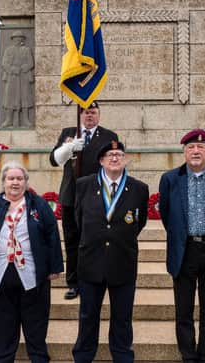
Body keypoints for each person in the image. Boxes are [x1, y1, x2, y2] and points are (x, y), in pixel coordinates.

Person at [0, 160, 64, 363]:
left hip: (32, 275)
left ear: (26, 182)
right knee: (2, 325)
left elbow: (52, 237)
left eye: (19, 178)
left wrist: (55, 266)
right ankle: (4, 358)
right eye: (11, 178)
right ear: (3, 181)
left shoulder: (39, 205)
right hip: (0, 275)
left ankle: (39, 358)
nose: (15, 182)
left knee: (36, 324)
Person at [158, 129, 205, 363]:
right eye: (191, 148)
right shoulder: (170, 179)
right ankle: (188, 354)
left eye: (201, 147)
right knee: (184, 309)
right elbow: (166, 214)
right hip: (184, 250)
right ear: (184, 152)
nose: (196, 151)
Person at [71, 141, 149, 363]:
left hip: (122, 262)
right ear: (101, 160)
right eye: (110, 155)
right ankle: (83, 355)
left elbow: (138, 222)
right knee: (88, 316)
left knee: (122, 318)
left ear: (125, 159)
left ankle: (122, 355)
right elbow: (79, 220)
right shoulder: (84, 185)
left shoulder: (139, 188)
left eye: (119, 154)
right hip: (91, 262)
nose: (115, 158)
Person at [49, 101, 118, 300]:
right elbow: (54, 160)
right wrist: (69, 147)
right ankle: (73, 283)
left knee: (95, 240)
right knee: (72, 241)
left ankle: (93, 280)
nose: (89, 116)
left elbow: (113, 163)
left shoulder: (108, 136)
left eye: (93, 112)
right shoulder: (69, 132)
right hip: (71, 196)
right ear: (80, 115)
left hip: (96, 197)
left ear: (99, 115)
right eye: (86, 112)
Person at [0, 30, 35, 128]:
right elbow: (4, 63)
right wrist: (12, 69)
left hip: (23, 76)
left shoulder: (26, 50)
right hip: (12, 77)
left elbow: (31, 63)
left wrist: (23, 68)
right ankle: (8, 120)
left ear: (22, 39)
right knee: (10, 98)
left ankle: (26, 120)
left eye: (19, 38)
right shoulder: (8, 50)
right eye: (15, 38)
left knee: (25, 98)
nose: (17, 40)